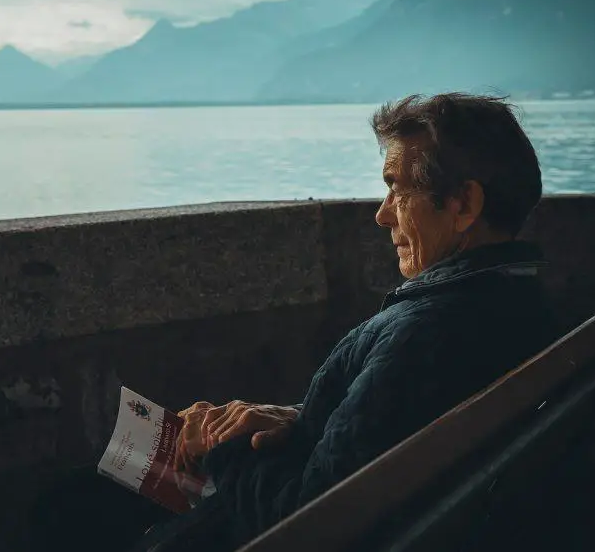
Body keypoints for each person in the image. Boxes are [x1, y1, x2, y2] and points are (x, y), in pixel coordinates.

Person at [30, 93, 560, 552]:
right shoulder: (516, 304)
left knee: (65, 507)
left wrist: (220, 449)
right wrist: (292, 419)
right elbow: (380, 427)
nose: (383, 214)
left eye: (398, 189)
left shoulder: (429, 332)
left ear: (464, 202)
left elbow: (309, 519)